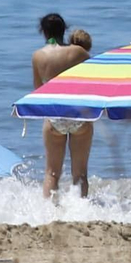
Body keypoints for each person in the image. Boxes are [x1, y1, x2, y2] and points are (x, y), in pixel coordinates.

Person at [31, 13, 93, 198]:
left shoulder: (38, 56)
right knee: (80, 173)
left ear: (43, 32)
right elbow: (92, 83)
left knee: (52, 172)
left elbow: (38, 90)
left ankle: (51, 212)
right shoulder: (79, 53)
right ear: (64, 29)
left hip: (54, 116)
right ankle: (80, 211)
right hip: (78, 115)